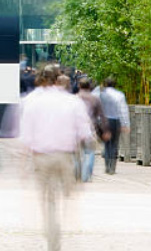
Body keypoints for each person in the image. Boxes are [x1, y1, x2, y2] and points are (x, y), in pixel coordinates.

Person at [19, 65, 94, 251]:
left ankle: (51, 230)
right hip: (65, 156)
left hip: (41, 157)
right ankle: (63, 225)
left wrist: (22, 162)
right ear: (58, 78)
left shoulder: (31, 101)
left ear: (41, 79)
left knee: (47, 199)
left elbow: (26, 135)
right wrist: (89, 143)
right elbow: (85, 131)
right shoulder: (71, 101)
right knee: (64, 196)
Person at [76, 77, 108, 182]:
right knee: (89, 152)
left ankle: (77, 174)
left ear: (79, 86)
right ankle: (86, 175)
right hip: (90, 128)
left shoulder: (74, 98)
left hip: (76, 129)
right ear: (90, 87)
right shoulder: (95, 99)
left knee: (76, 153)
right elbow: (102, 116)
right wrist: (105, 130)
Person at [96, 77, 130, 175]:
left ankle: (107, 165)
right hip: (115, 120)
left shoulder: (101, 95)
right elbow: (123, 110)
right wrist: (125, 124)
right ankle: (112, 167)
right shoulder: (120, 95)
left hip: (104, 121)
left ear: (106, 84)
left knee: (107, 144)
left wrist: (98, 122)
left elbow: (99, 110)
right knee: (115, 143)